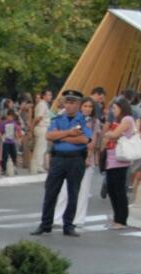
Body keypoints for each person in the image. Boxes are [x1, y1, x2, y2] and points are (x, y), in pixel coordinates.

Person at [32, 90, 91, 237]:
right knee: (51, 191)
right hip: (58, 159)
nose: (69, 106)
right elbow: (49, 136)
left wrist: (61, 136)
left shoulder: (84, 120)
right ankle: (45, 224)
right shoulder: (58, 118)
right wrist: (70, 133)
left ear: (78, 104)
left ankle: (68, 225)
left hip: (76, 159)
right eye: (67, 102)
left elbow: (84, 140)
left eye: (73, 103)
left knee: (73, 193)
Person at [53, 97, 100, 228]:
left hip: (85, 158)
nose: (87, 109)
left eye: (90, 107)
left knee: (83, 191)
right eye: (85, 106)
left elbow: (92, 142)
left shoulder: (94, 122)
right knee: (64, 189)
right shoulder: (71, 119)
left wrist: (88, 156)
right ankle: (58, 218)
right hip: (69, 156)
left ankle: (78, 219)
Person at [102, 97, 136, 230]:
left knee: (119, 190)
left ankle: (121, 219)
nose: (112, 111)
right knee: (111, 189)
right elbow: (108, 136)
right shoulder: (118, 120)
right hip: (111, 158)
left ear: (121, 108)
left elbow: (113, 134)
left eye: (114, 108)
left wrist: (109, 134)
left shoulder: (127, 119)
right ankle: (117, 217)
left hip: (120, 160)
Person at [31, 89, 52, 175]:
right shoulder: (42, 104)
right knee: (41, 148)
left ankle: (35, 165)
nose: (50, 97)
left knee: (38, 147)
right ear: (44, 96)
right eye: (49, 95)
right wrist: (33, 126)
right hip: (42, 127)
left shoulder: (44, 104)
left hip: (42, 127)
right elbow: (39, 117)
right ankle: (39, 166)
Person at [0, 109, 22, 174]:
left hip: (12, 142)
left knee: (14, 155)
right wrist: (1, 137)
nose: (10, 118)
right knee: (4, 155)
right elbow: (0, 132)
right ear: (7, 116)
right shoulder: (3, 123)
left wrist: (18, 139)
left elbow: (16, 131)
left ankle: (14, 167)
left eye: (12, 117)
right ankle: (4, 169)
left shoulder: (14, 123)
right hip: (5, 141)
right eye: (9, 116)